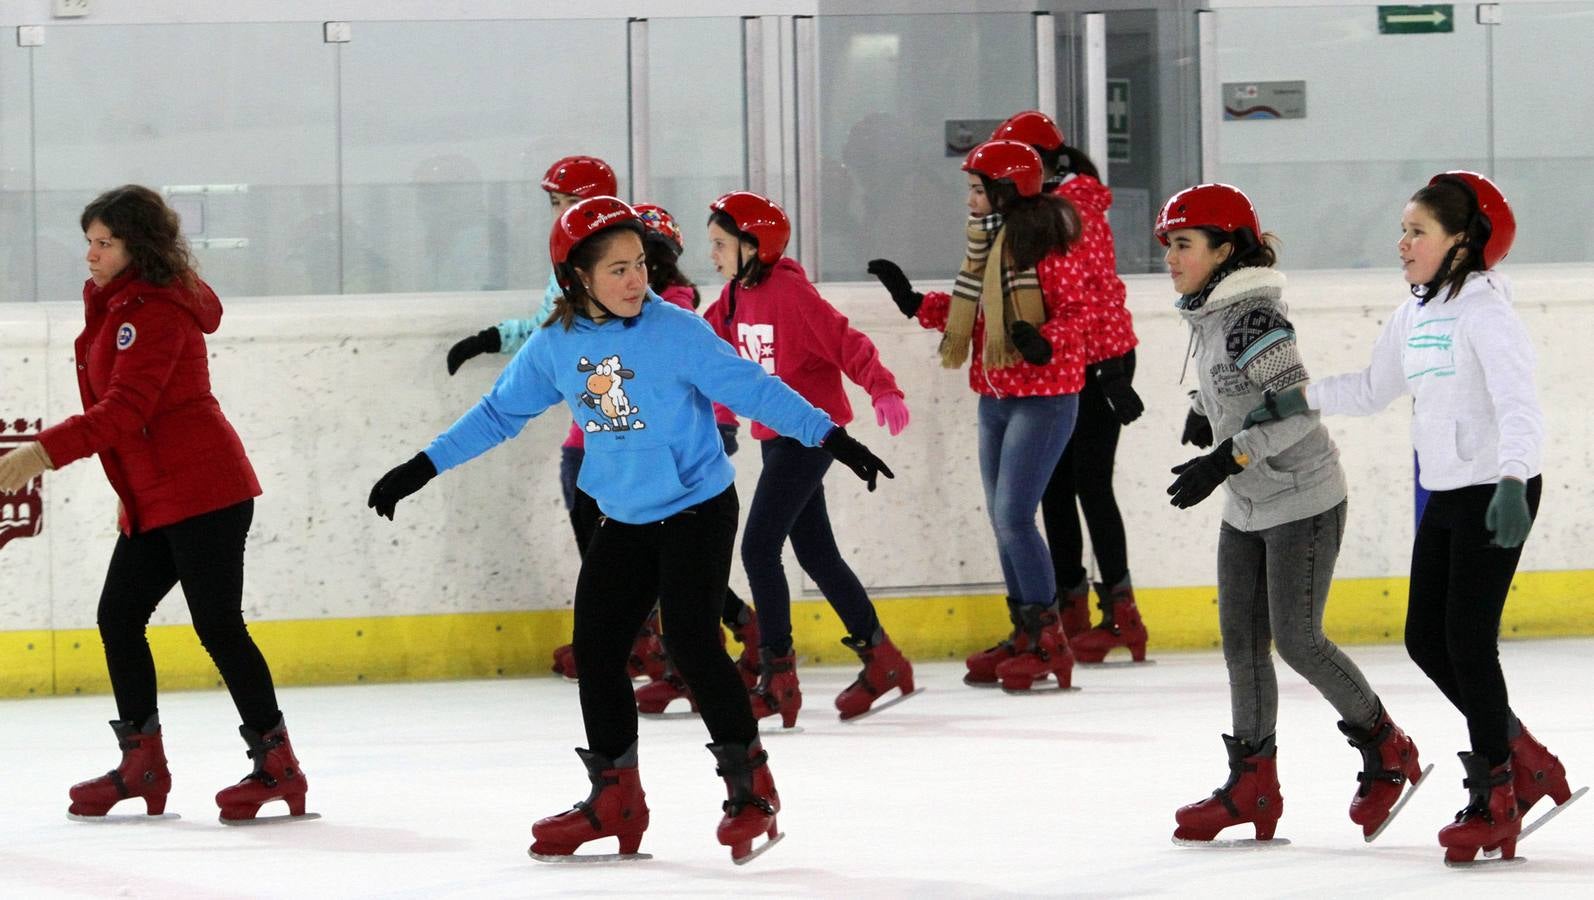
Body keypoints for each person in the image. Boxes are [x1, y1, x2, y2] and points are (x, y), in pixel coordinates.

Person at [367, 197, 892, 863]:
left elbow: (751, 387)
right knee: (597, 650)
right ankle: (615, 800)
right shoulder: (554, 347)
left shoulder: (675, 331)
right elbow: (497, 414)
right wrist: (420, 467)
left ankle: (750, 791)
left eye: (640, 264)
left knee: (695, 642)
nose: (636, 280)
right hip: (625, 515)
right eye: (617, 269)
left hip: (697, 507)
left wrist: (832, 438)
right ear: (576, 278)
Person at [1243, 172, 1578, 864]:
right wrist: (1297, 398)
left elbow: (1520, 409)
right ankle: (1524, 756)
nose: (1403, 243)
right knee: (1426, 638)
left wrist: (1514, 481)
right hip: (1449, 490)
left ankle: (1497, 798)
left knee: (1468, 639)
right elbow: (1371, 391)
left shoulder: (1488, 315)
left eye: (1418, 231)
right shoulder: (1415, 313)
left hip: (1497, 489)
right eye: (1404, 229)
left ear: (1463, 242)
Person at [0, 185, 310, 824]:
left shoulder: (156, 310)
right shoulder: (113, 303)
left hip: (205, 490)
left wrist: (37, 455)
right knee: (118, 616)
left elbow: (123, 411)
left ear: (136, 245)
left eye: (104, 243)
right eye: (88, 240)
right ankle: (142, 765)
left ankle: (278, 768)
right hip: (157, 495)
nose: (90, 255)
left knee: (217, 626)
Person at [1155, 183, 1425, 846]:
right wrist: (1203, 408)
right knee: (1242, 644)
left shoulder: (1253, 318)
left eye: (1184, 244)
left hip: (1302, 496)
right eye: (1169, 245)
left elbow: (1296, 406)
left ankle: (1389, 749)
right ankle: (1254, 787)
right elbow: (1234, 384)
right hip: (1250, 502)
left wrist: (1226, 457)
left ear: (1223, 249)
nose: (1171, 257)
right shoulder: (1213, 312)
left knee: (1298, 639)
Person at [872, 140, 1088, 692]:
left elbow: (1079, 315)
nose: (968, 199)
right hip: (995, 394)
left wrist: (1044, 340)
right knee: (1002, 518)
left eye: (976, 189)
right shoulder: (987, 245)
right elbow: (976, 311)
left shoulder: (1046, 249)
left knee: (1014, 515)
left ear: (1006, 191)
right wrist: (915, 302)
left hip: (1044, 396)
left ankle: (1049, 641)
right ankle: (1024, 631)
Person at [702, 191, 916, 728]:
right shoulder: (731, 299)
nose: (714, 255)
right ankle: (883, 660)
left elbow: (847, 342)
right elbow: (710, 351)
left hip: (813, 436)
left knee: (758, 548)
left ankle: (778, 677)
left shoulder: (790, 294)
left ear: (755, 247)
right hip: (777, 437)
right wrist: (722, 417)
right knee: (817, 555)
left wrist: (883, 388)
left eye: (721, 245)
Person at [988, 110, 1149, 659]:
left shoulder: (1072, 209)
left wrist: (1107, 368)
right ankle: (1069, 603)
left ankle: (1122, 613)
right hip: (1064, 359)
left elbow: (1095, 293)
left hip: (1098, 356)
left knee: (1089, 483)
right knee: (1053, 485)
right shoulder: (1038, 211)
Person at [625, 202, 762, 715]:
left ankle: (709, 654)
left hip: (684, 461)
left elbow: (716, 370)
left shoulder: (674, 309)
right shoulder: (631, 308)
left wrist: (723, 422)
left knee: (678, 571)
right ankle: (724, 637)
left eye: (638, 259)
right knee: (667, 570)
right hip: (647, 459)